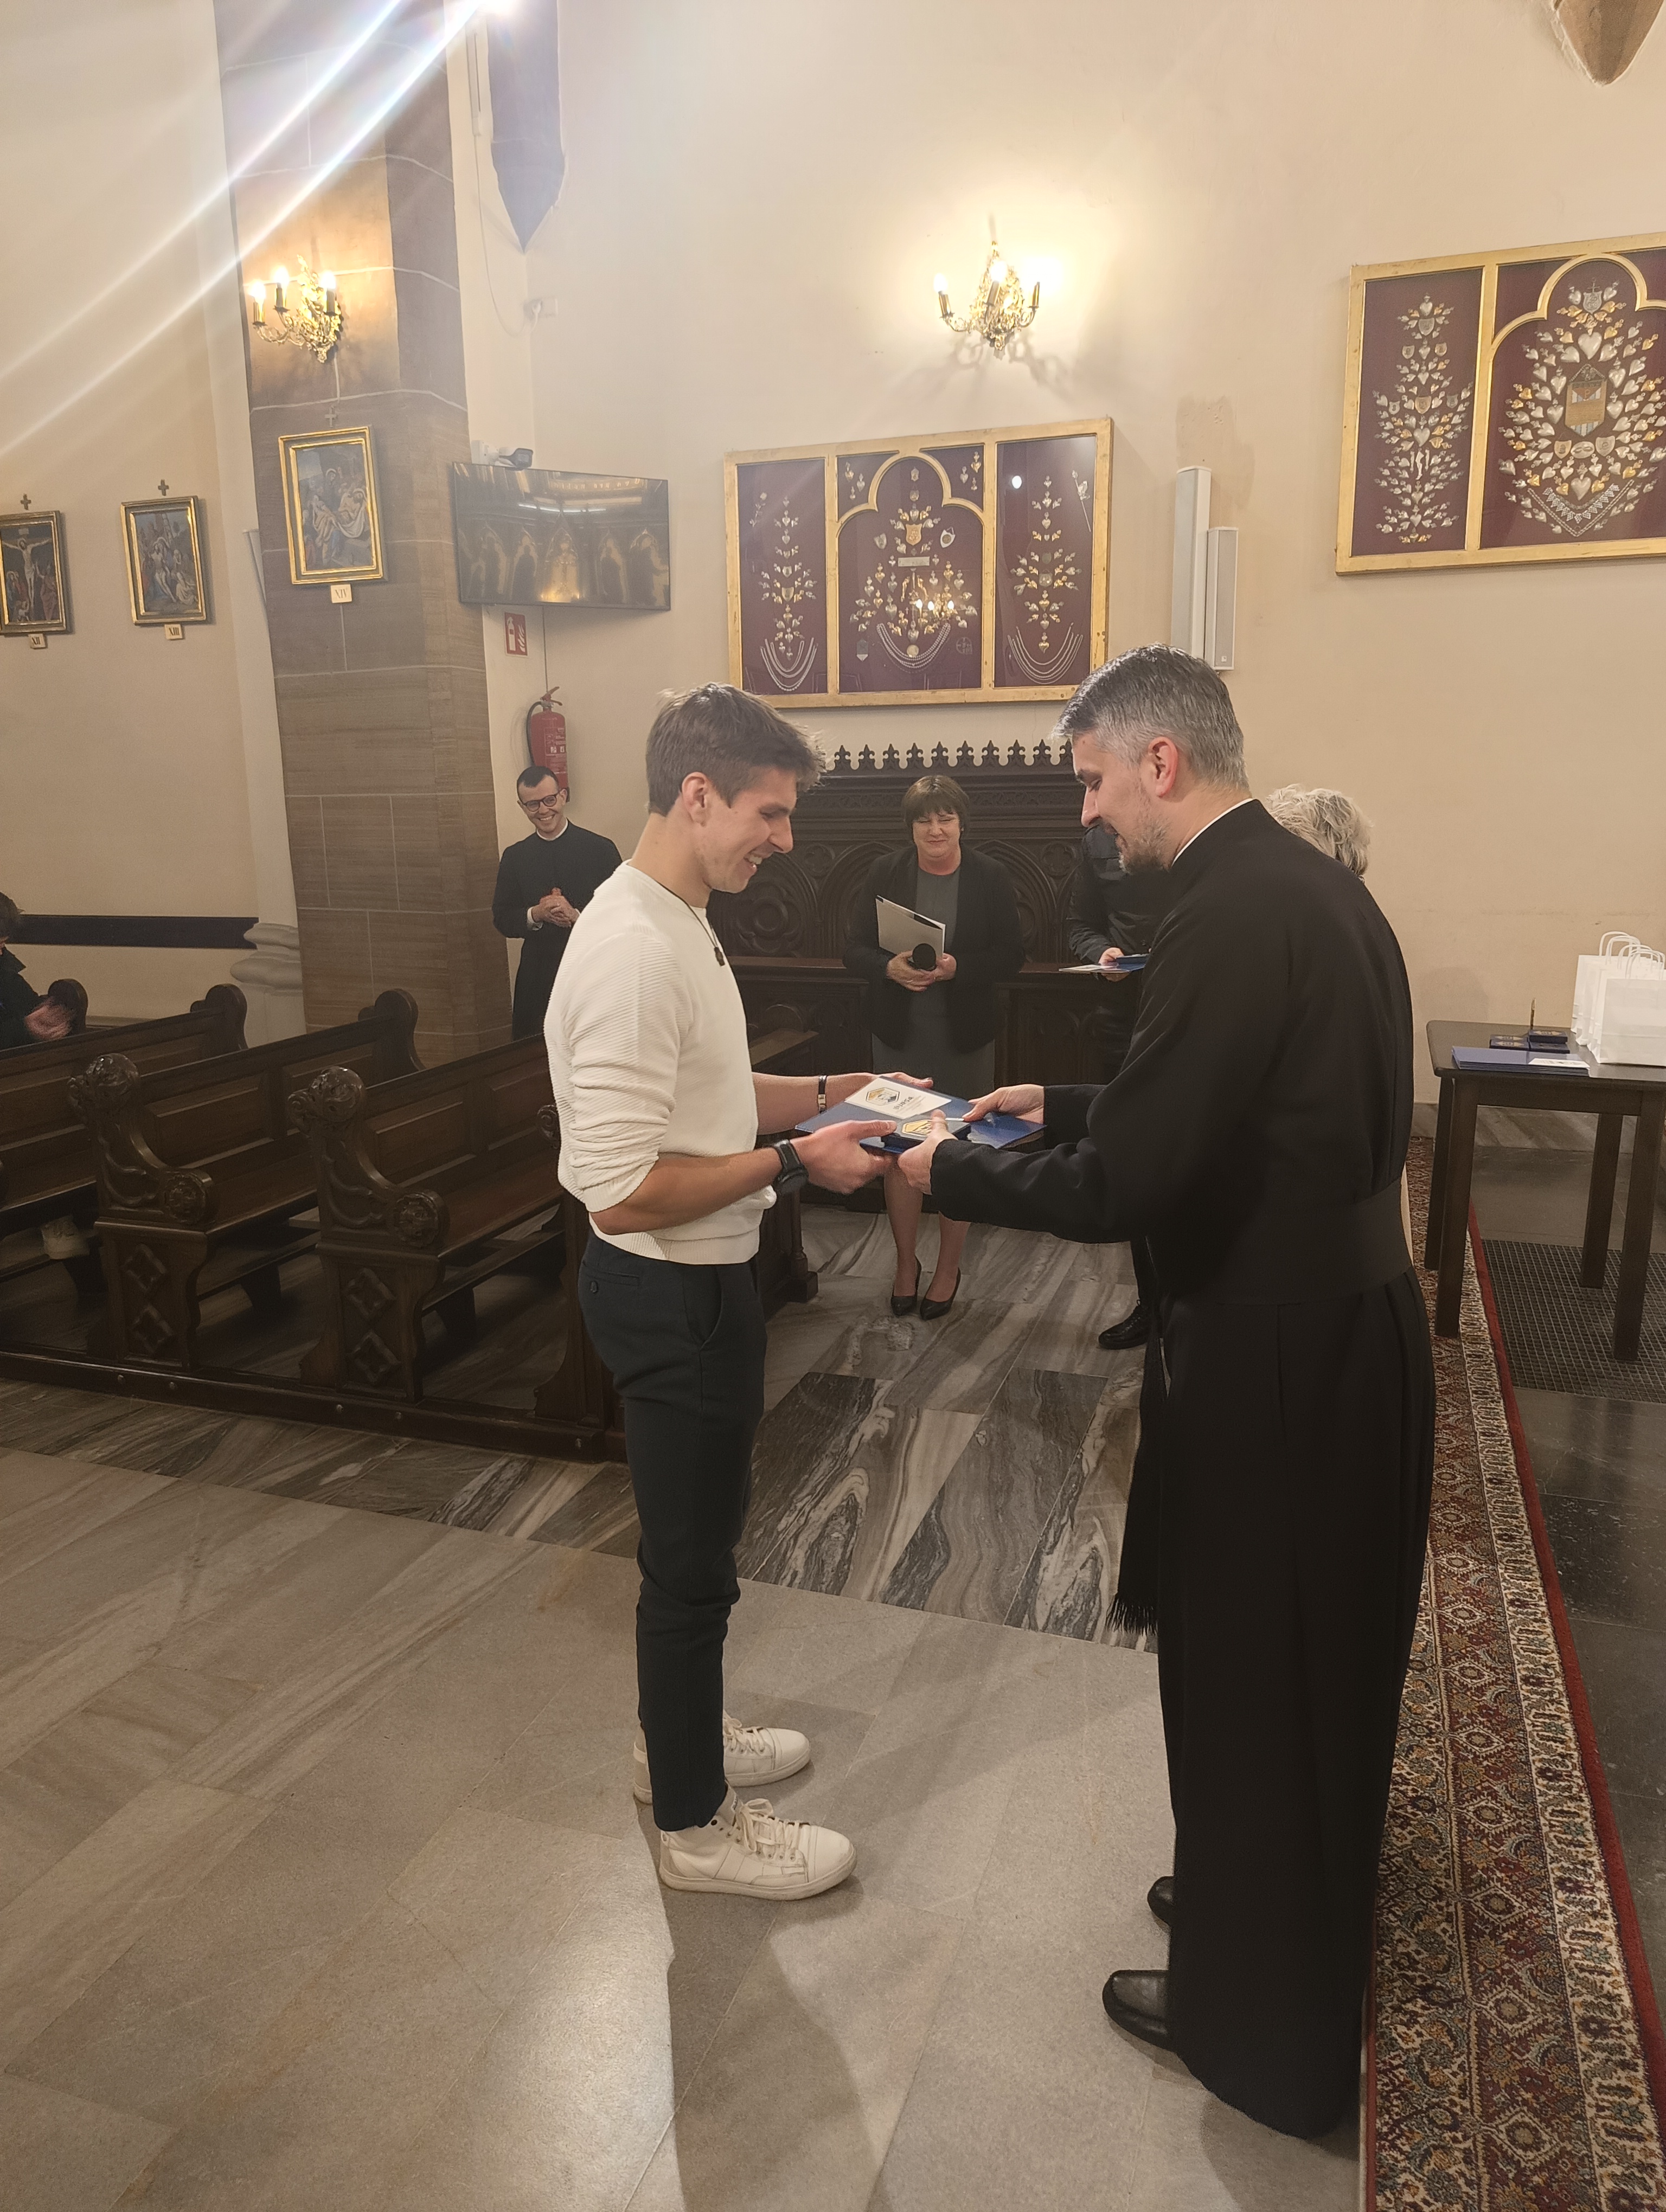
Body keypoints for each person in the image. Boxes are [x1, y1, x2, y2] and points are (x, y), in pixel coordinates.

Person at [893, 646, 1434, 2140]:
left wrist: (945, 1165)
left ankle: (1254, 2026)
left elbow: (1132, 1180)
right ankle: (1262, 1905)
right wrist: (1059, 1100)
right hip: (1330, 1325)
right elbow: (1233, 1104)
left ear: (1160, 762)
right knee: (1286, 1673)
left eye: (1090, 781)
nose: (1085, 813)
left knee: (1257, 1672)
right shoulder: (1300, 889)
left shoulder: (1224, 907)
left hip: (1280, 1351)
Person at [547, 682, 896, 1902]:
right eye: (769, 812)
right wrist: (798, 1163)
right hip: (670, 1295)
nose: (784, 839)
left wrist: (845, 1093)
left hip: (701, 1282)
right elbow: (620, 1192)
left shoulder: (674, 914)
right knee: (691, 1568)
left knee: (697, 1552)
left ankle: (676, 1741)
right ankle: (697, 1829)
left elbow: (710, 1094)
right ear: (698, 795)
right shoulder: (634, 949)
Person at [843, 774, 1024, 1319]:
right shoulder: (887, 871)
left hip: (963, 1040)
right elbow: (853, 950)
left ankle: (948, 1269)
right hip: (899, 1037)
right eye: (924, 819)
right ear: (911, 827)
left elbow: (1012, 954)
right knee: (898, 1152)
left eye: (945, 817)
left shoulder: (989, 876)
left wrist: (958, 968)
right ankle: (906, 1264)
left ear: (962, 823)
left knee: (955, 1153)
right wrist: (888, 968)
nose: (935, 828)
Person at [1067, 823, 1175, 1351]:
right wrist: (1102, 951)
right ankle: (1151, 1304)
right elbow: (1080, 924)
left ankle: (1189, 1301)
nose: (1088, 808)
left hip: (1186, 1007)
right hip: (1122, 1015)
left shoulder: (1189, 826)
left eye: (1095, 787)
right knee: (1133, 1155)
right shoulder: (1097, 842)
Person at [493, 766, 621, 1040]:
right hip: (537, 978)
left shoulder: (601, 849)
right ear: (522, 807)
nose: (543, 810)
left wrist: (577, 917)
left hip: (591, 973)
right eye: (532, 804)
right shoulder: (515, 857)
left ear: (563, 796)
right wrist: (536, 914)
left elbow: (623, 916)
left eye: (549, 800)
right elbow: (502, 918)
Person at [0, 894, 71, 1048]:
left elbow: (26, 1003)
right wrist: (25, 1029)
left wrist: (48, 1013)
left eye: (3, 944)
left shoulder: (4, 969)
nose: (1, 952)